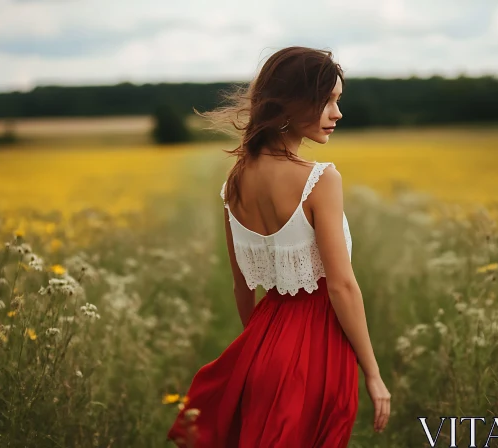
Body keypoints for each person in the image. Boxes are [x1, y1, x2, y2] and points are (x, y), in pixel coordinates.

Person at [167, 46, 390, 447]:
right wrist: (372, 372)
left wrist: (257, 353)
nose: (337, 114)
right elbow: (341, 287)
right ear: (292, 104)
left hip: (260, 343)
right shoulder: (321, 179)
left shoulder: (233, 183)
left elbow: (242, 287)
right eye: (328, 101)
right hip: (319, 347)